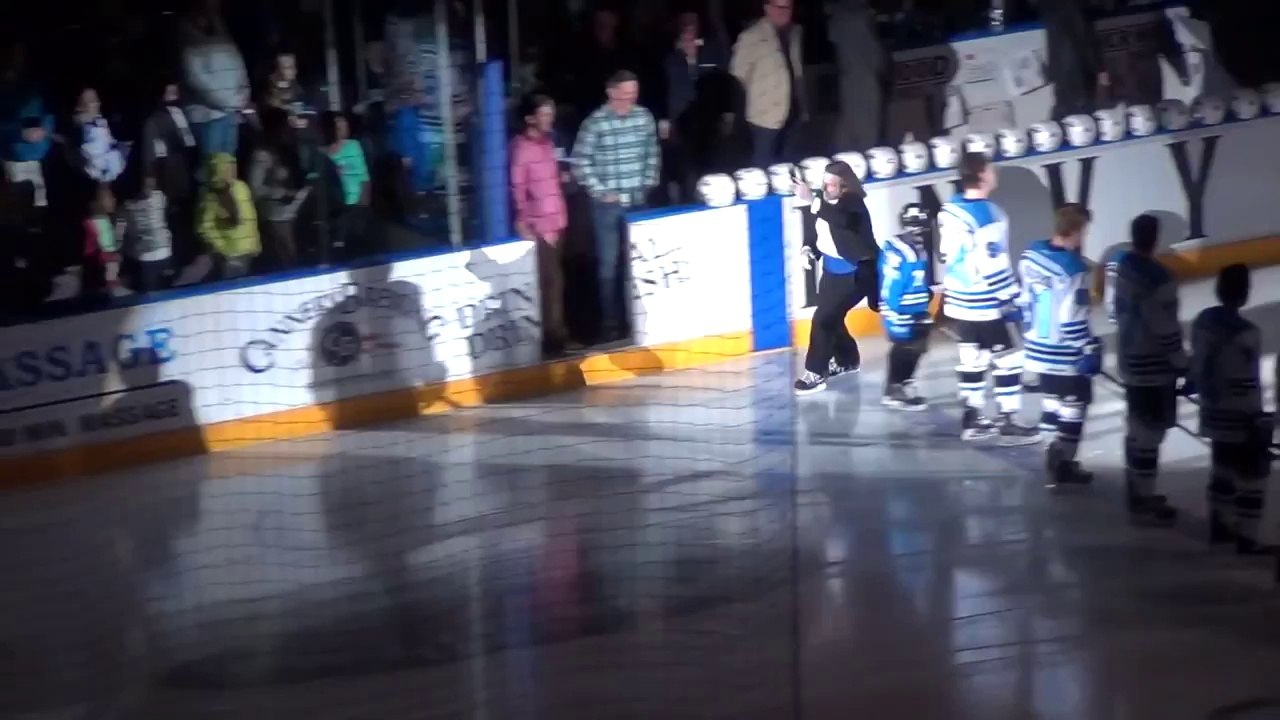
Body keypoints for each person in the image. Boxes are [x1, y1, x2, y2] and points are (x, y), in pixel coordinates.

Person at [938, 152, 1038, 445]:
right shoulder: (990, 215)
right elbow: (992, 264)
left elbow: (945, 254)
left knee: (972, 359)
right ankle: (1008, 420)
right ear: (982, 175)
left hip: (958, 300)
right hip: (986, 303)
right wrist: (1012, 299)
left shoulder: (949, 208)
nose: (995, 174)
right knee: (1009, 359)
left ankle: (973, 419)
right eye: (991, 170)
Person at [571, 70, 661, 344]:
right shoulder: (595, 124)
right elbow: (579, 162)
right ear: (611, 92)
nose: (629, 99)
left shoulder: (643, 117)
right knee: (609, 265)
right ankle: (611, 323)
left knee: (639, 262)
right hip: (607, 206)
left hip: (638, 201)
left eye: (633, 94)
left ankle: (639, 319)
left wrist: (648, 182)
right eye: (624, 94)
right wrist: (600, 192)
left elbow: (652, 152)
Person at [1189, 264, 1272, 553]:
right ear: (1245, 293)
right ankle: (1247, 539)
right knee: (1253, 478)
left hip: (1212, 410)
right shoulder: (1249, 334)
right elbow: (1249, 382)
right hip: (1239, 415)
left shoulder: (1202, 321)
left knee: (1221, 469)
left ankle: (1219, 525)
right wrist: (1260, 420)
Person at [1107, 214, 1183, 523]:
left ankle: (1136, 490)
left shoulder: (1122, 267)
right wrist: (1182, 362)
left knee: (1137, 428)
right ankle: (1144, 497)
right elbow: (1165, 327)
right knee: (1151, 432)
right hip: (1154, 366)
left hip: (1128, 358)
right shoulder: (1160, 278)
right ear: (1156, 238)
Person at [1017, 204, 1099, 487]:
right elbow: (1070, 319)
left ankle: (1050, 451)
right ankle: (1063, 461)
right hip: (1064, 353)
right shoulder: (1075, 270)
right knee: (1075, 405)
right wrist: (1088, 348)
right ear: (1076, 231)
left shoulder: (1030, 256)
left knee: (1051, 402)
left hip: (1037, 348)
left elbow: (1024, 300)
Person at [793, 161, 879, 395]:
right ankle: (847, 359)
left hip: (855, 273)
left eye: (832, 184)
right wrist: (808, 247)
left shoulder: (853, 204)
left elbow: (840, 220)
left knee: (822, 320)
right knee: (831, 317)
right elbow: (816, 227)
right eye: (824, 182)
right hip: (831, 272)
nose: (826, 187)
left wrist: (813, 200)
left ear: (845, 186)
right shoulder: (823, 201)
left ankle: (815, 372)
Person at [511, 94, 574, 356]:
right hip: (540, 224)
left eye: (551, 114)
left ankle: (556, 333)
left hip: (557, 219)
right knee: (550, 282)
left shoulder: (549, 144)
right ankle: (553, 338)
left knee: (556, 280)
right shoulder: (521, 149)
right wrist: (523, 220)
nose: (550, 119)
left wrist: (561, 176)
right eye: (545, 114)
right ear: (530, 118)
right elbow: (518, 187)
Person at [730, 0, 805, 168]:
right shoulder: (751, 36)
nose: (784, 11)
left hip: (792, 114)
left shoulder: (794, 33)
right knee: (763, 167)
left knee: (787, 165)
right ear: (767, 7)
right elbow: (737, 78)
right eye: (779, 7)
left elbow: (797, 72)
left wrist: (802, 108)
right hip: (764, 118)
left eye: (788, 7)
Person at [878, 202, 934, 410]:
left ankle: (903, 383)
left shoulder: (916, 249)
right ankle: (894, 388)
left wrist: (925, 297)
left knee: (918, 345)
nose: (917, 228)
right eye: (913, 224)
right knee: (904, 345)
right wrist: (894, 310)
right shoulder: (899, 251)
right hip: (902, 309)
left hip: (915, 308)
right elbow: (891, 285)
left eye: (919, 224)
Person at [197, 153, 260, 280]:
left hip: (247, 251)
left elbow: (251, 218)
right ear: (220, 170)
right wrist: (221, 249)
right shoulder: (210, 196)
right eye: (228, 167)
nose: (233, 169)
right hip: (229, 255)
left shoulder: (242, 187)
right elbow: (204, 227)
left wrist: (255, 243)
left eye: (233, 165)